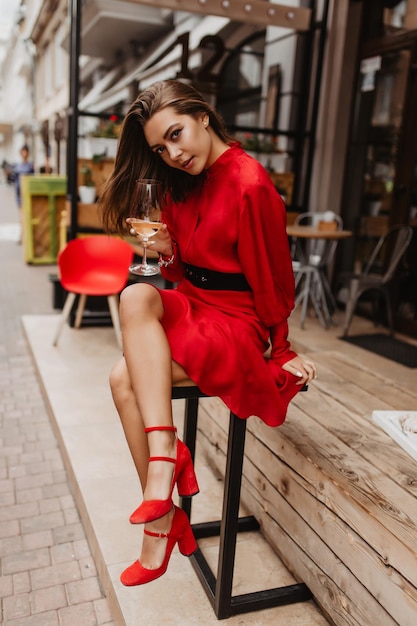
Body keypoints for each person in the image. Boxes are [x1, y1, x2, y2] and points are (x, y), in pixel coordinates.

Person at [100, 80, 317, 587]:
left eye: (176, 135)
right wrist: (168, 248)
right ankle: (164, 467)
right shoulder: (179, 182)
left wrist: (281, 347)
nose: (173, 154)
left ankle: (161, 515)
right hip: (195, 306)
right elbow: (179, 278)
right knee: (135, 292)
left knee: (121, 379)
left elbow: (274, 278)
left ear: (202, 116)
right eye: (160, 148)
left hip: (235, 322)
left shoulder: (250, 182)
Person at [13, 144, 35, 209]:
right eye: (23, 151)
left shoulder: (30, 165)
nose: (24, 153)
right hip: (19, 192)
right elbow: (15, 179)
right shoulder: (17, 166)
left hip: (27, 191)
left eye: (26, 151)